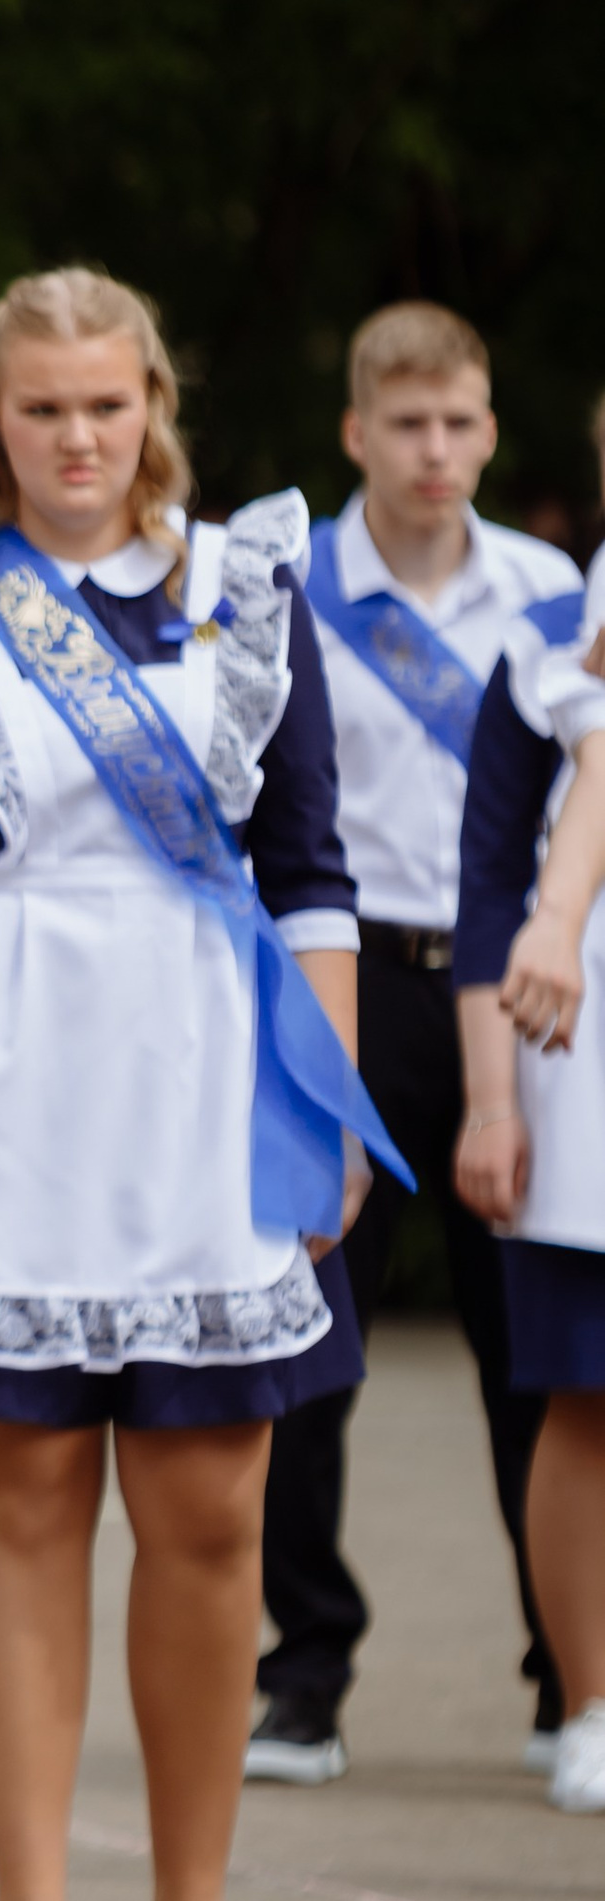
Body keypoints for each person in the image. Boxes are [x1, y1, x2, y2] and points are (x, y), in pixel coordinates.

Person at [0, 267, 394, 1901]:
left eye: (107, 405)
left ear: (156, 409)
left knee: (216, 1506)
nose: (78, 438)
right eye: (41, 408)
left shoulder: (250, 588)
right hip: (4, 1061)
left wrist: (336, 1091)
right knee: (35, 1499)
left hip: (208, 1062)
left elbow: (309, 863)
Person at [247, 305, 577, 1785]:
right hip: (353, 973)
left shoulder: (550, 590)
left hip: (522, 987)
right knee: (316, 1331)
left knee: (540, 1345)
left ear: (492, 430)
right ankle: (305, 1671)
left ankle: (567, 1669)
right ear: (355, 435)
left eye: (461, 425)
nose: (436, 453)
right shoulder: (287, 581)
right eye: (408, 426)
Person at [453, 544, 605, 1812]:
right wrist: (492, 1098)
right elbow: (495, 875)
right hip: (579, 1044)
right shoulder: (543, 637)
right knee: (585, 1395)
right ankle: (589, 1703)